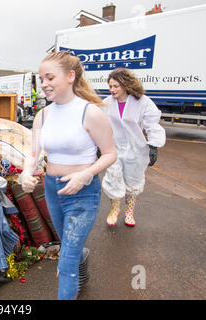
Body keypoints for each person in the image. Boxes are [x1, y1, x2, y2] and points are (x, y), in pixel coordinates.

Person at [19, 51, 117, 300]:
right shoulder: (43, 115)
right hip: (53, 189)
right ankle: (81, 256)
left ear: (71, 76)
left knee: (66, 261)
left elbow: (110, 154)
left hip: (83, 193)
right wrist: (26, 172)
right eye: (41, 79)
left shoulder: (90, 113)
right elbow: (33, 152)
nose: (44, 84)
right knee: (69, 247)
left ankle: (74, 265)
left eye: (50, 77)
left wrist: (85, 174)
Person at [102, 68, 166, 227]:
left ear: (125, 84)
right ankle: (115, 209)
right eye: (110, 86)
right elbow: (100, 125)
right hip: (114, 147)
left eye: (116, 86)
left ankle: (129, 212)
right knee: (113, 176)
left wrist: (153, 146)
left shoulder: (142, 102)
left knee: (134, 180)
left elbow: (152, 124)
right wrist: (99, 145)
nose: (112, 90)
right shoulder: (107, 103)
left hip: (136, 148)